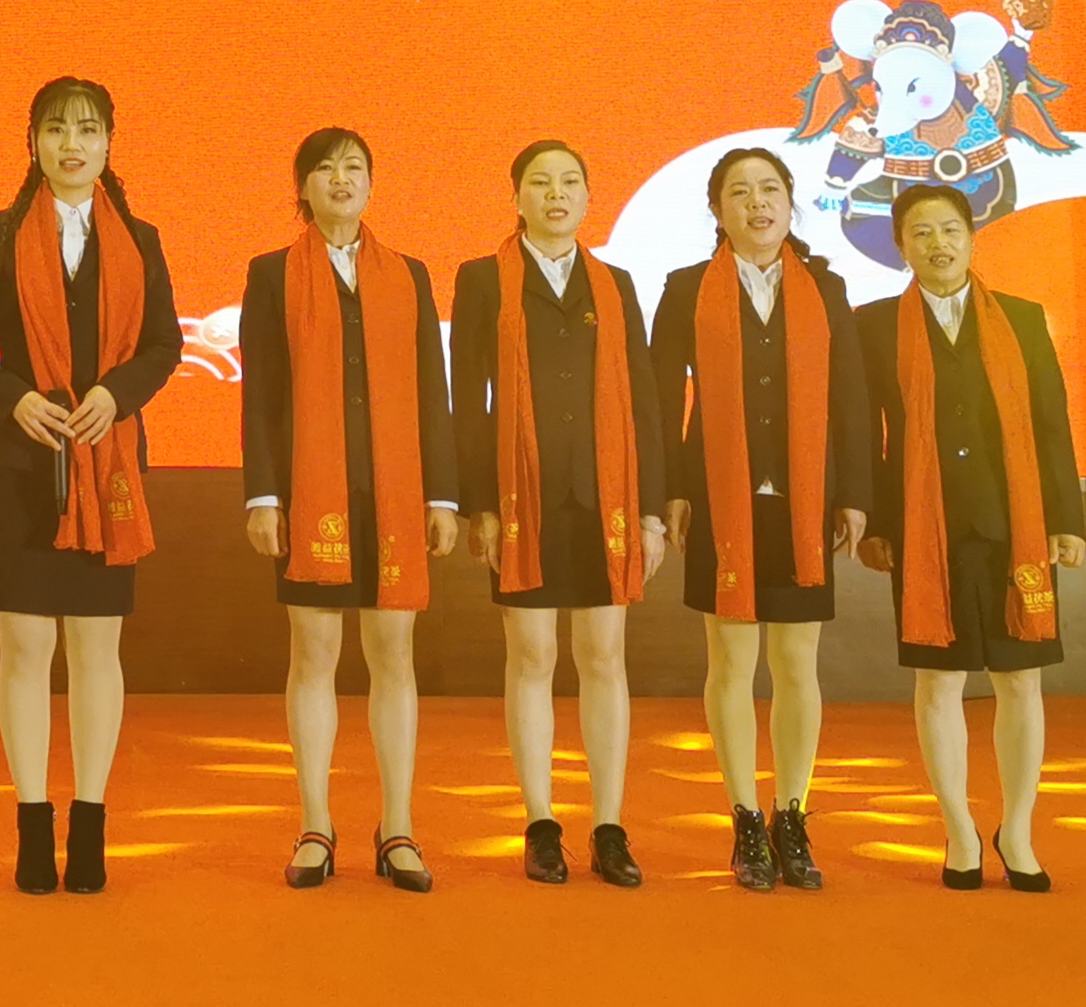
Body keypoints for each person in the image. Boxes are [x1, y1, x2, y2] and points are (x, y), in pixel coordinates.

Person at [0, 77, 181, 896]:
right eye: (55, 129)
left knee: (95, 648)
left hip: (107, 465)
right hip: (19, 463)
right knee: (24, 648)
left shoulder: (140, 238)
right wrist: (13, 398)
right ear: (33, 142)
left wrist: (117, 393)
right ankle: (32, 821)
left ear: (110, 142)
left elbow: (164, 344)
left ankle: (90, 822)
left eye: (86, 129)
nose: (71, 144)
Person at [241, 127, 458, 895]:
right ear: (302, 186)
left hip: (393, 491)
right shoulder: (272, 274)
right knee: (313, 653)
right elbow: (262, 392)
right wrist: (264, 493)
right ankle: (315, 824)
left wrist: (441, 494)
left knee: (393, 655)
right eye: (325, 168)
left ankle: (397, 826)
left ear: (371, 183)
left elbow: (432, 387)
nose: (341, 178)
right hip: (311, 491)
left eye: (354, 166)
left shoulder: (409, 274)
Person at [854, 184, 1085, 892]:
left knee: (1020, 680)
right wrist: (877, 523)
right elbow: (866, 433)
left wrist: (1066, 518)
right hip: (924, 529)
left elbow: (1050, 422)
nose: (938, 243)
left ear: (972, 236)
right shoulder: (873, 326)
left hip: (1014, 524)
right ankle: (958, 828)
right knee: (939, 679)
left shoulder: (1021, 317)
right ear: (901, 246)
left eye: (949, 229)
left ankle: (1017, 830)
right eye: (921, 232)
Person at [651, 146, 869, 892]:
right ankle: (745, 816)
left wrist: (854, 491)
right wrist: (670, 488)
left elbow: (851, 394)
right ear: (717, 209)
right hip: (719, 495)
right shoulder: (686, 288)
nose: (757, 203)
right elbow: (661, 397)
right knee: (732, 661)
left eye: (769, 188)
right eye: (739, 192)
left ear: (790, 199)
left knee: (798, 663)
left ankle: (792, 814)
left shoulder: (826, 287)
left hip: (807, 498)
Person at [451, 140, 666, 887]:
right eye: (540, 182)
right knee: (533, 656)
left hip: (605, 494)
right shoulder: (483, 280)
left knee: (604, 656)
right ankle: (541, 822)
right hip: (523, 495)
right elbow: (469, 398)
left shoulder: (615, 283)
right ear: (516, 197)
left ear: (586, 197)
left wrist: (651, 512)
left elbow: (645, 397)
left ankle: (609, 824)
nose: (556, 194)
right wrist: (479, 502)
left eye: (570, 181)